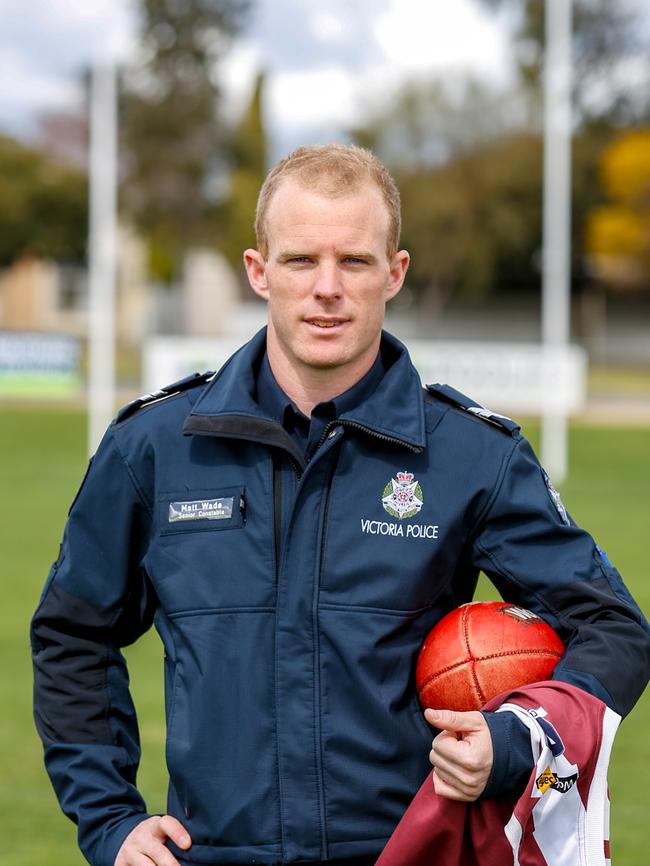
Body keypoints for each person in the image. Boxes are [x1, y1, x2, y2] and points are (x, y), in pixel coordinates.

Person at [32, 144, 650, 866]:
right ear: (259, 272)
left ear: (395, 273)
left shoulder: (471, 454)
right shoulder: (157, 446)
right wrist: (109, 821)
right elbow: (73, 635)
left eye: (354, 261)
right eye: (300, 261)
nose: (327, 288)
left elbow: (613, 627)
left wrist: (516, 745)